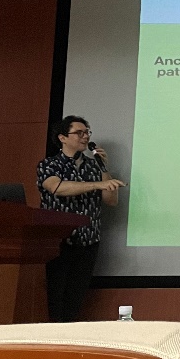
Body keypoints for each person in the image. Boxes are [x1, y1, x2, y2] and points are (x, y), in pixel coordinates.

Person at [36, 116, 125, 321]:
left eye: (87, 132)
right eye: (79, 133)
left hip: (88, 241)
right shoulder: (49, 164)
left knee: (75, 300)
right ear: (62, 138)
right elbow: (56, 187)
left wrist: (104, 170)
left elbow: (111, 200)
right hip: (58, 242)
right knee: (53, 297)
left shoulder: (93, 166)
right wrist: (96, 185)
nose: (85, 137)